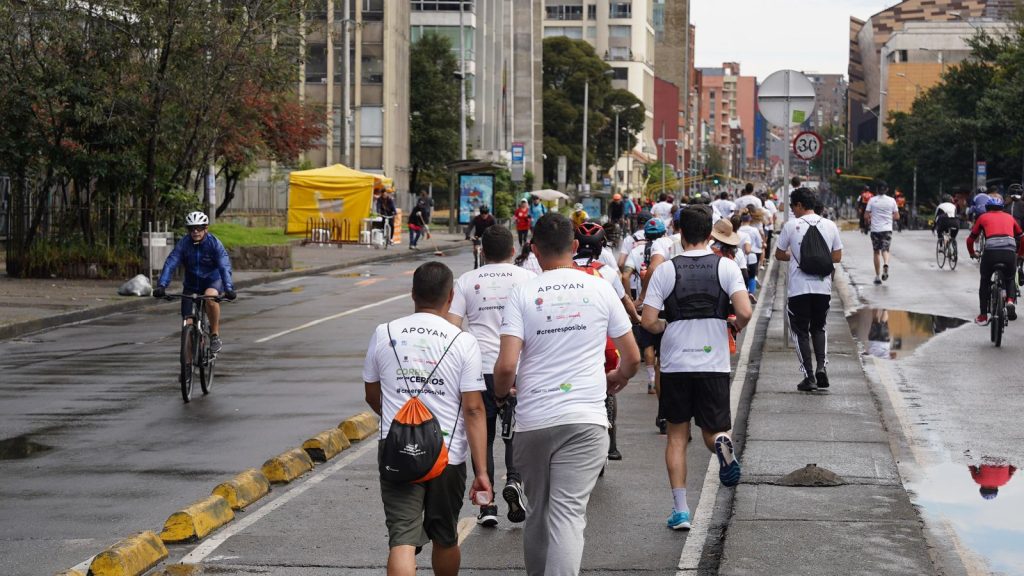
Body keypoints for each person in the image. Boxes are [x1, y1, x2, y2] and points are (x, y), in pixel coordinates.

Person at [494, 212, 640, 576]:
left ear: (534, 249)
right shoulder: (600, 287)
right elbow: (633, 356)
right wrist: (617, 377)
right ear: (574, 247)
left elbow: (507, 366)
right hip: (586, 420)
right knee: (568, 516)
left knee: (538, 514)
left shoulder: (522, 292)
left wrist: (502, 392)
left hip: (534, 420)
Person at [362, 261, 491, 576]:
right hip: (447, 456)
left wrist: (402, 424)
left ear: (412, 294)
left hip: (397, 450)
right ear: (450, 297)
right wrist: (482, 471)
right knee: (445, 537)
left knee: (402, 540)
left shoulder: (384, 333)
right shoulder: (463, 341)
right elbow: (474, 409)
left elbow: (371, 394)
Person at [641, 205, 752, 531]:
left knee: (676, 435)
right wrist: (731, 326)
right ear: (710, 235)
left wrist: (666, 327)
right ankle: (721, 442)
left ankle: (681, 511)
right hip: (713, 360)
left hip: (675, 362)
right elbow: (744, 311)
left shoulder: (665, 270)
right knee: (713, 429)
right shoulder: (727, 267)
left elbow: (648, 321)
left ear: (679, 232)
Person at [448, 226, 535, 527]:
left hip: (478, 368)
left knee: (481, 436)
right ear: (513, 251)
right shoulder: (527, 278)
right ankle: (514, 481)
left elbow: (452, 326)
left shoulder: (467, 281)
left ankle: (487, 504)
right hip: (516, 366)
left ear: (482, 252)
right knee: (515, 432)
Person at [573, 221, 641, 462]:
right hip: (604, 344)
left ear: (575, 245)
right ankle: (611, 446)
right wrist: (637, 318)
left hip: (571, 339)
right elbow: (626, 303)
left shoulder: (563, 269)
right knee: (609, 389)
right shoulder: (608, 273)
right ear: (601, 247)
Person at [774, 187, 843, 392]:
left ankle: (809, 375)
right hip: (823, 287)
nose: (793, 210)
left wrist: (798, 257)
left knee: (800, 331)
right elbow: (837, 257)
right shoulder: (830, 225)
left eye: (793, 206)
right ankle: (822, 366)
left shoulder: (790, 225)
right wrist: (819, 260)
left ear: (800, 205)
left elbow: (779, 254)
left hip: (799, 289)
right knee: (819, 327)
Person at [153, 212, 236, 354]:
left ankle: (214, 335)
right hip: (191, 284)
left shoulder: (215, 244)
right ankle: (187, 363)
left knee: (210, 298)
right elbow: (171, 263)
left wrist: (228, 288)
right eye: (192, 229)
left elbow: (224, 266)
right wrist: (162, 285)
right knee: (188, 323)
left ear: (206, 228)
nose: (195, 231)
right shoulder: (184, 244)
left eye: (199, 228)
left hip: (212, 280)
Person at [622, 218, 668, 395]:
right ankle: (660, 379)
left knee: (648, 344)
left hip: (645, 305)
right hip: (664, 304)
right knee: (663, 349)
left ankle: (650, 380)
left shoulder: (635, 251)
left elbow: (625, 276)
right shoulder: (667, 248)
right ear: (663, 233)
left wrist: (632, 299)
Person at [966, 196, 1023, 325]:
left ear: (987, 208)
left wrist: (972, 253)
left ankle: (983, 315)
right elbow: (1022, 237)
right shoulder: (1010, 217)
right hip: (1009, 252)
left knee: (985, 281)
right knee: (1009, 278)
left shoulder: (983, 217)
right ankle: (1009, 301)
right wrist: (1020, 255)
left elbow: (970, 240)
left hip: (991, 253)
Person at [865, 181, 899, 285]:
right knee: (885, 250)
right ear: (887, 190)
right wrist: (889, 218)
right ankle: (886, 264)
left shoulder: (872, 200)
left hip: (875, 230)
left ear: (877, 190)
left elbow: (866, 216)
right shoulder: (892, 200)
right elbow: (897, 216)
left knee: (876, 252)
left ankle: (877, 276)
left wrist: (870, 219)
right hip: (887, 229)